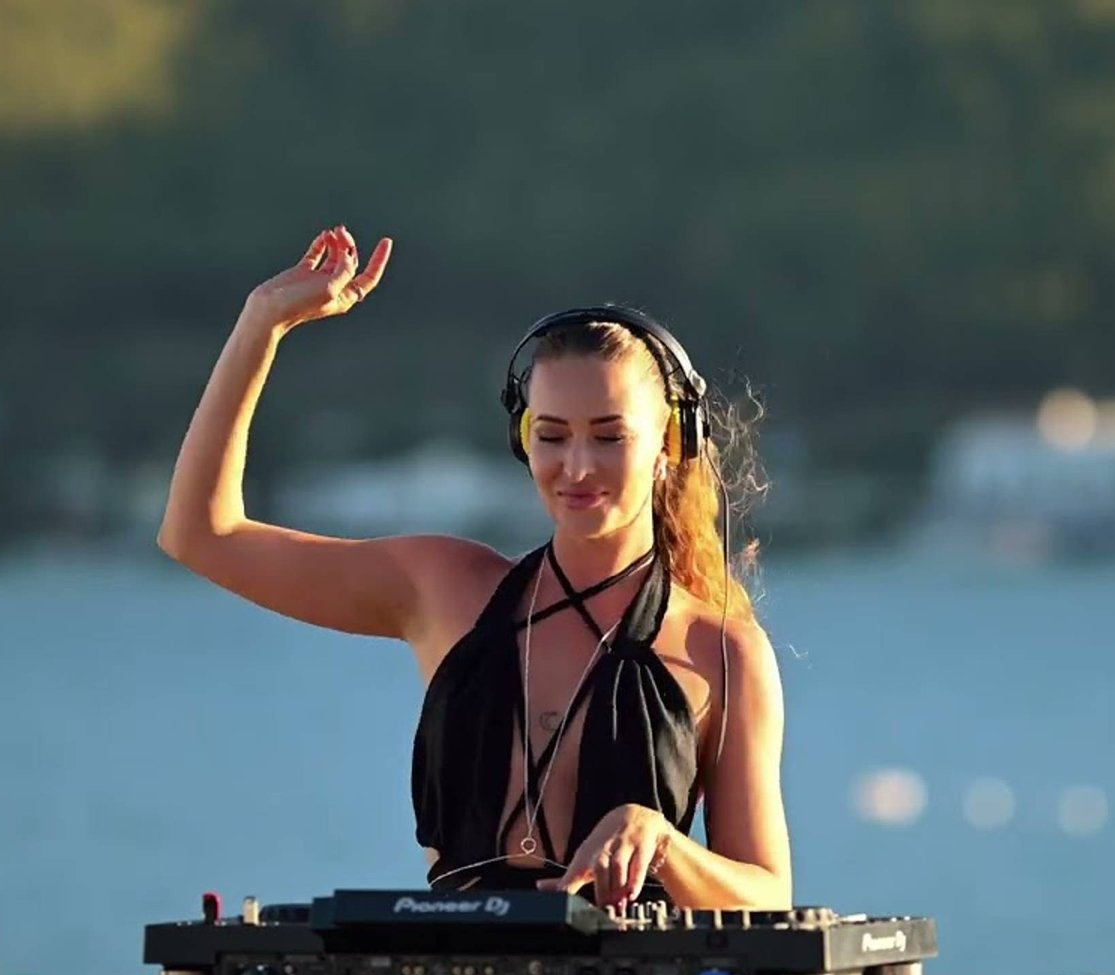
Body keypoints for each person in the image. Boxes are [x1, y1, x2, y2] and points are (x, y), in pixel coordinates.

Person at [157, 225, 791, 911]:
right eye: (552, 436)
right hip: (451, 974)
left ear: (670, 443)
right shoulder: (444, 588)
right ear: (523, 439)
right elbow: (201, 534)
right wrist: (262, 322)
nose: (577, 467)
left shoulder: (721, 650)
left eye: (610, 437)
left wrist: (663, 842)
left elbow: (767, 895)